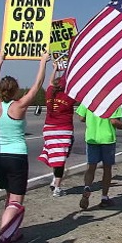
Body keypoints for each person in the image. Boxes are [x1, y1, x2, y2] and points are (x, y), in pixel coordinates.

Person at [0, 50, 50, 243]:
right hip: (16, 156)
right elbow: (38, 86)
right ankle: (2, 239)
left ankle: (14, 231)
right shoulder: (19, 106)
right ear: (16, 90)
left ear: (0, 90)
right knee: (16, 201)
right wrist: (42, 63)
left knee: (9, 195)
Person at [76, 104, 122, 209]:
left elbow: (81, 118)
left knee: (91, 166)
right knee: (107, 168)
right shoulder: (112, 101)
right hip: (107, 139)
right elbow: (114, 121)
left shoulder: (88, 98)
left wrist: (92, 119)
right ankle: (104, 197)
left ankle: (87, 187)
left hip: (92, 137)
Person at [37, 62, 77, 197]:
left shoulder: (49, 93)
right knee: (61, 157)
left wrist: (54, 69)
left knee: (55, 154)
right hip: (63, 129)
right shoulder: (69, 96)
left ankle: (55, 180)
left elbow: (49, 82)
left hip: (48, 129)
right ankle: (57, 187)